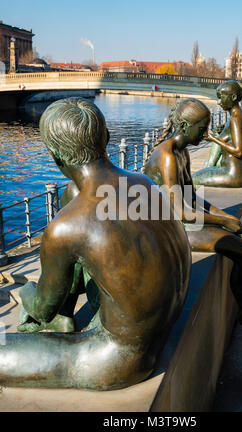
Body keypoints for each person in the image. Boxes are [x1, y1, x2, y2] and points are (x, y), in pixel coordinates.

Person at [0, 98, 191, 390]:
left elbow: (41, 308)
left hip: (113, 360)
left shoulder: (67, 226)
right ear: (107, 138)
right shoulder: (143, 184)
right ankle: (63, 320)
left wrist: (28, 290)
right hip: (159, 333)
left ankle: (61, 325)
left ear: (55, 156)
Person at [143, 98, 242, 345]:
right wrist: (222, 223)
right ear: (182, 125)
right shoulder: (167, 156)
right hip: (164, 228)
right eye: (201, 129)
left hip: (179, 220)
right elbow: (181, 212)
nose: (206, 134)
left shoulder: (181, 153)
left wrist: (226, 218)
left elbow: (191, 198)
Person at [192, 81, 242, 188]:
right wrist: (222, 135)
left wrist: (213, 138)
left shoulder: (235, 119)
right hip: (241, 173)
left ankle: (190, 205)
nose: (218, 102)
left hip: (233, 175)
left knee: (191, 180)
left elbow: (239, 151)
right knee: (202, 171)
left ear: (233, 97)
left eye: (221, 97)